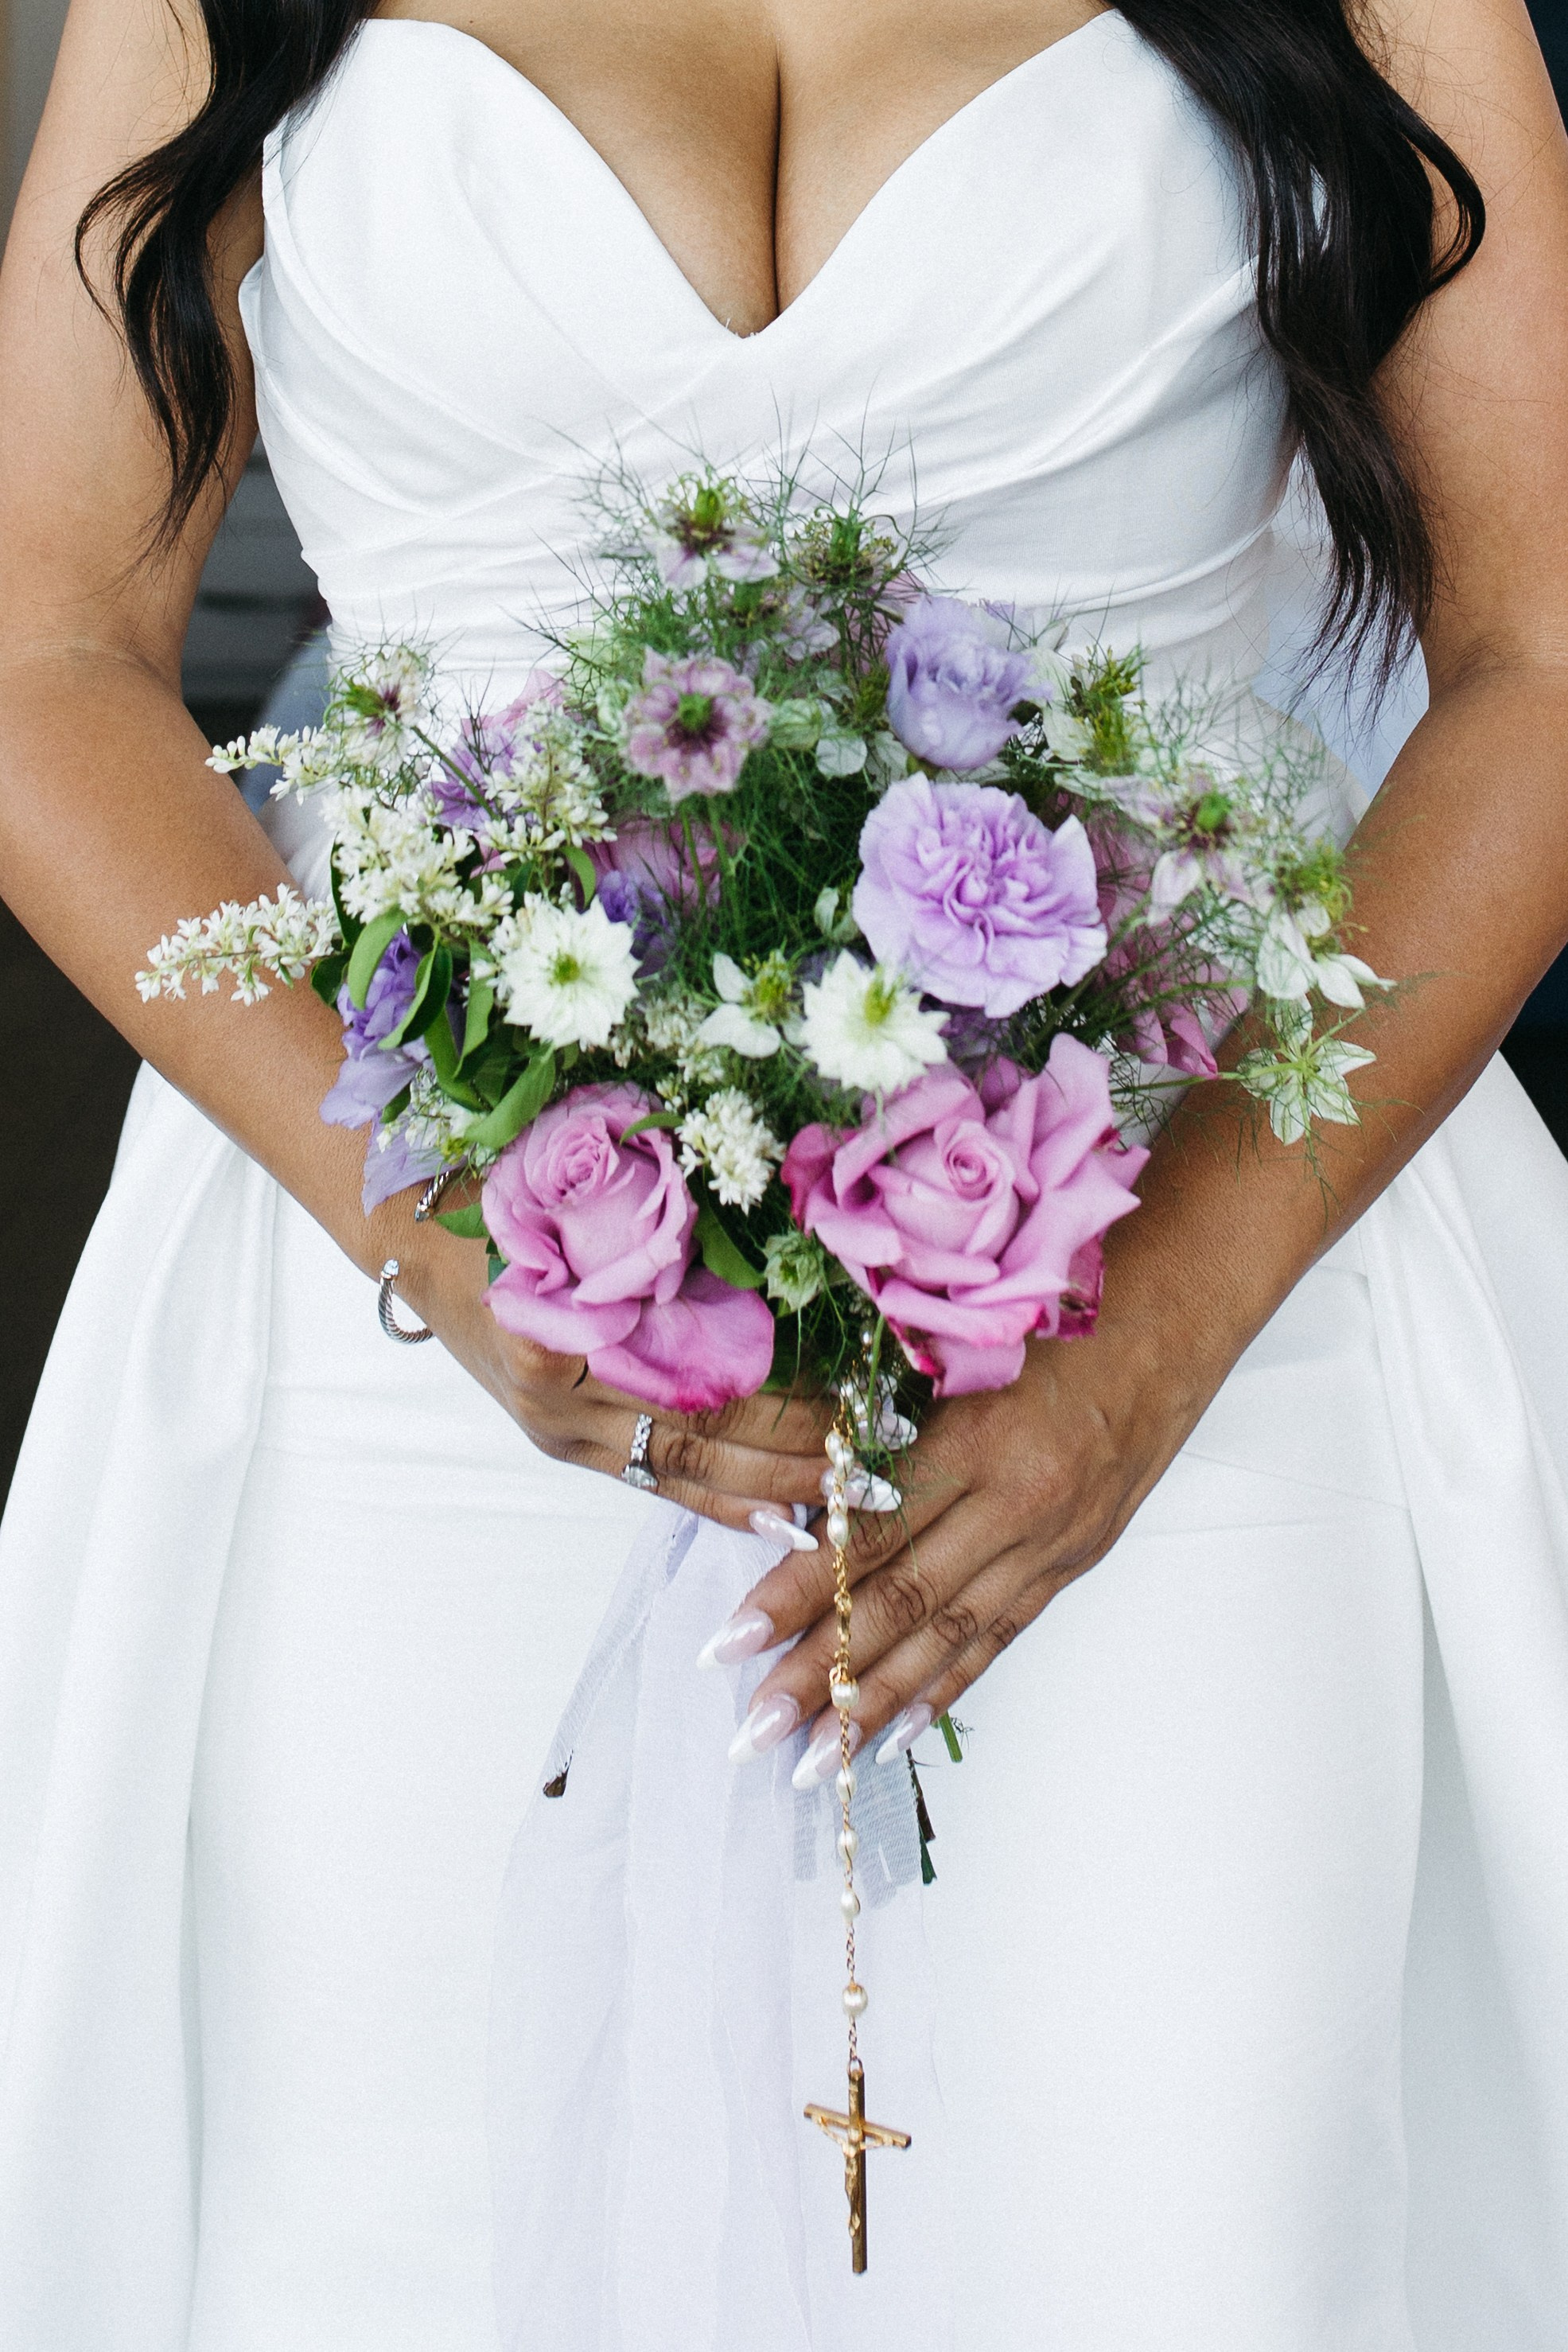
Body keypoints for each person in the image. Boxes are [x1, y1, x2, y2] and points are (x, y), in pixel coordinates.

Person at [2, 0, 1567, 2343]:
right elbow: (45, 645)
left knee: (1175, 2223)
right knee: (413, 2232)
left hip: (1199, 1307)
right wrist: (441, 1234)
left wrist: (1151, 1350)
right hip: (415, 1351)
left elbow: (1540, 652)